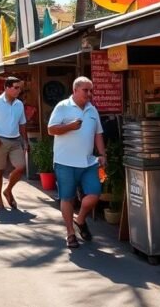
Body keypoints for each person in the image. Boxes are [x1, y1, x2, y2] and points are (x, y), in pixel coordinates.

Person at [48, 76, 106, 249]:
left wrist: (102, 154)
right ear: (75, 90)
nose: (89, 94)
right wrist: (70, 127)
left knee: (94, 194)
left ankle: (80, 219)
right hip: (65, 161)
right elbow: (51, 129)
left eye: (91, 90)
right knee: (67, 197)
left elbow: (98, 134)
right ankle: (70, 233)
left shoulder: (92, 110)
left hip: (88, 162)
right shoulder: (62, 107)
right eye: (85, 90)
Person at [0, 77, 28, 211]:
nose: (18, 90)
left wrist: (25, 140)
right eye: (16, 87)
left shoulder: (19, 104)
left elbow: (22, 123)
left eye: (20, 88)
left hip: (15, 140)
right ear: (7, 88)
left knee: (20, 167)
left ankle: (8, 190)